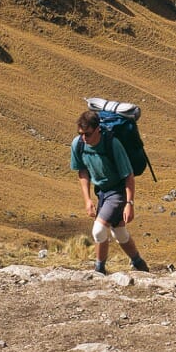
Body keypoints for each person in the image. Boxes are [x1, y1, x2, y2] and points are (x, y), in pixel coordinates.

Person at [70, 109, 148, 274]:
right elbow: (82, 172)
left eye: (88, 134)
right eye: (81, 133)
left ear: (98, 128)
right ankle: (139, 264)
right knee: (119, 232)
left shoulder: (113, 144)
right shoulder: (78, 144)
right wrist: (87, 200)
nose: (84, 138)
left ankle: (99, 270)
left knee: (98, 230)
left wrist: (129, 203)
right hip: (102, 192)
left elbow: (128, 176)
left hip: (118, 192)